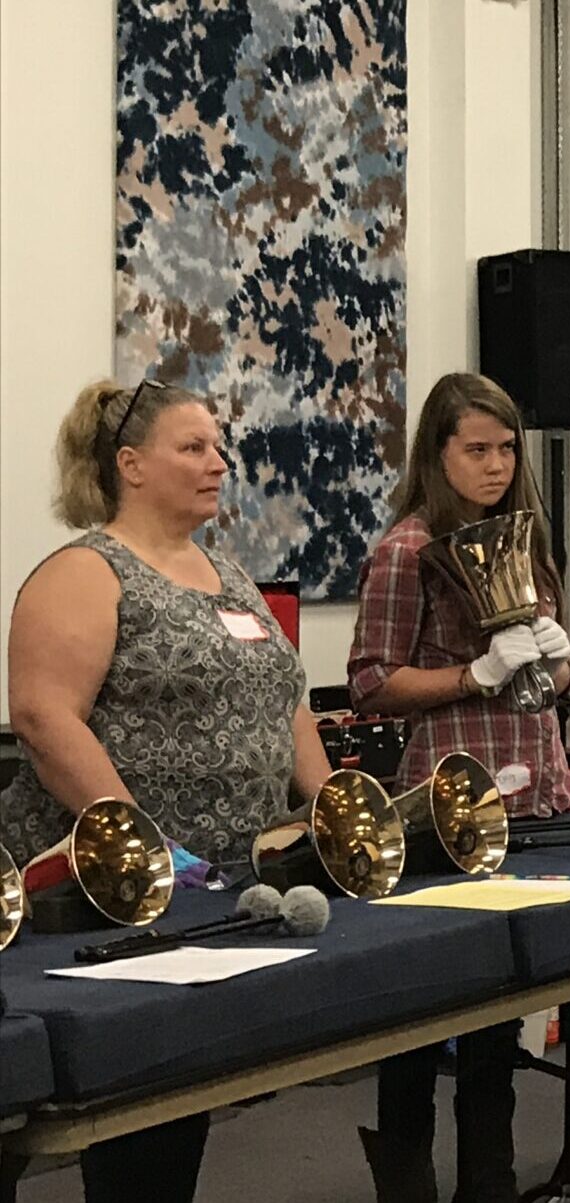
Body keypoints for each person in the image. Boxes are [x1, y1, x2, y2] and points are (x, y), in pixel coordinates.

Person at [1, 379, 336, 1200]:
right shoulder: (86, 569)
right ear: (130, 465)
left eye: (218, 446)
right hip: (110, 894)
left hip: (214, 887)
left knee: (169, 1111)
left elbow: (284, 696)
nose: (219, 463)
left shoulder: (225, 572)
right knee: (126, 1115)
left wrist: (333, 809)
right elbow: (46, 717)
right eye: (194, 447)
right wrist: (146, 845)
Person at [346, 373, 570, 1201]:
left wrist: (559, 660)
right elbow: (370, 681)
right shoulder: (408, 549)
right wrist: (471, 673)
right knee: (425, 1012)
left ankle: (492, 1185)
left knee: (500, 1018)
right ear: (438, 455)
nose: (497, 465)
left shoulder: (524, 541)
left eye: (507, 448)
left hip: (534, 791)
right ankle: (406, 1183)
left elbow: (555, 681)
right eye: (476, 449)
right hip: (448, 807)